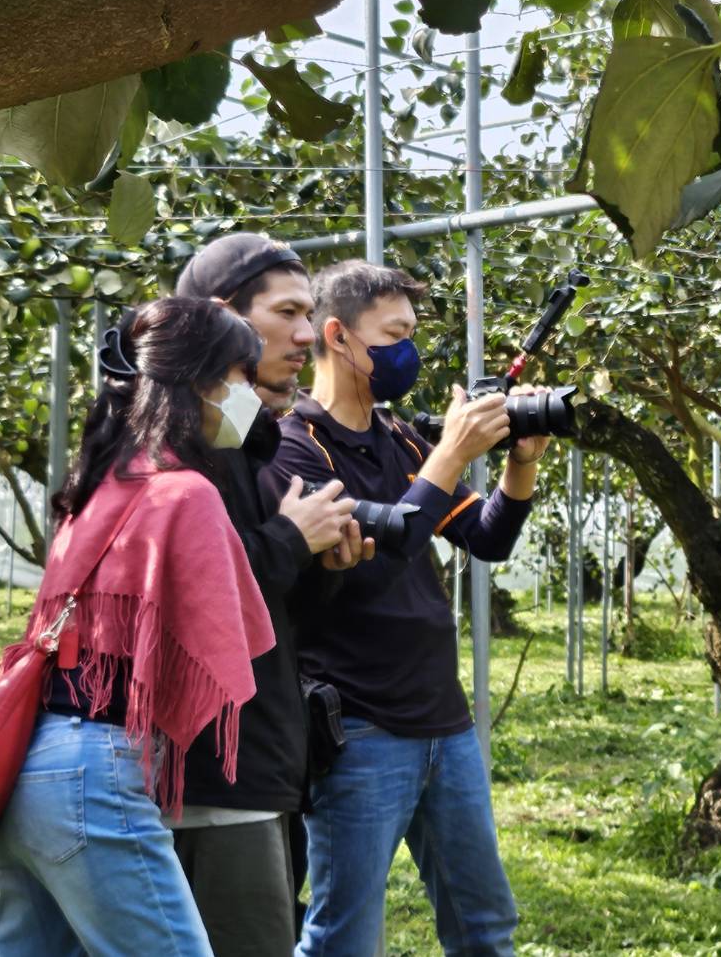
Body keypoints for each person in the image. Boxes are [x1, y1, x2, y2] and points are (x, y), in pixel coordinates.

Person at [267, 260, 550, 957]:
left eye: (412, 334)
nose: (408, 352)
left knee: (486, 927)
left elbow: (483, 538)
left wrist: (519, 465)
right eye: (393, 335)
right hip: (358, 730)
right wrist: (452, 453)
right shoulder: (293, 449)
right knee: (343, 938)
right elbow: (391, 537)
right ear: (337, 336)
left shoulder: (400, 440)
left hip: (443, 727)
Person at [0, 298, 277, 956]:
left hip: (32, 769)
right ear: (204, 382)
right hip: (98, 771)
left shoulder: (95, 487)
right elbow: (228, 641)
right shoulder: (187, 494)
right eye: (242, 378)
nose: (250, 397)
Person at [170, 233, 370, 956]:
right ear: (224, 318)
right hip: (212, 782)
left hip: (262, 768)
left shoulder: (246, 441)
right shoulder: (173, 447)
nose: (307, 333)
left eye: (308, 312)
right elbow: (183, 600)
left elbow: (272, 618)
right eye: (287, 312)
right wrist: (290, 540)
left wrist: (323, 559)